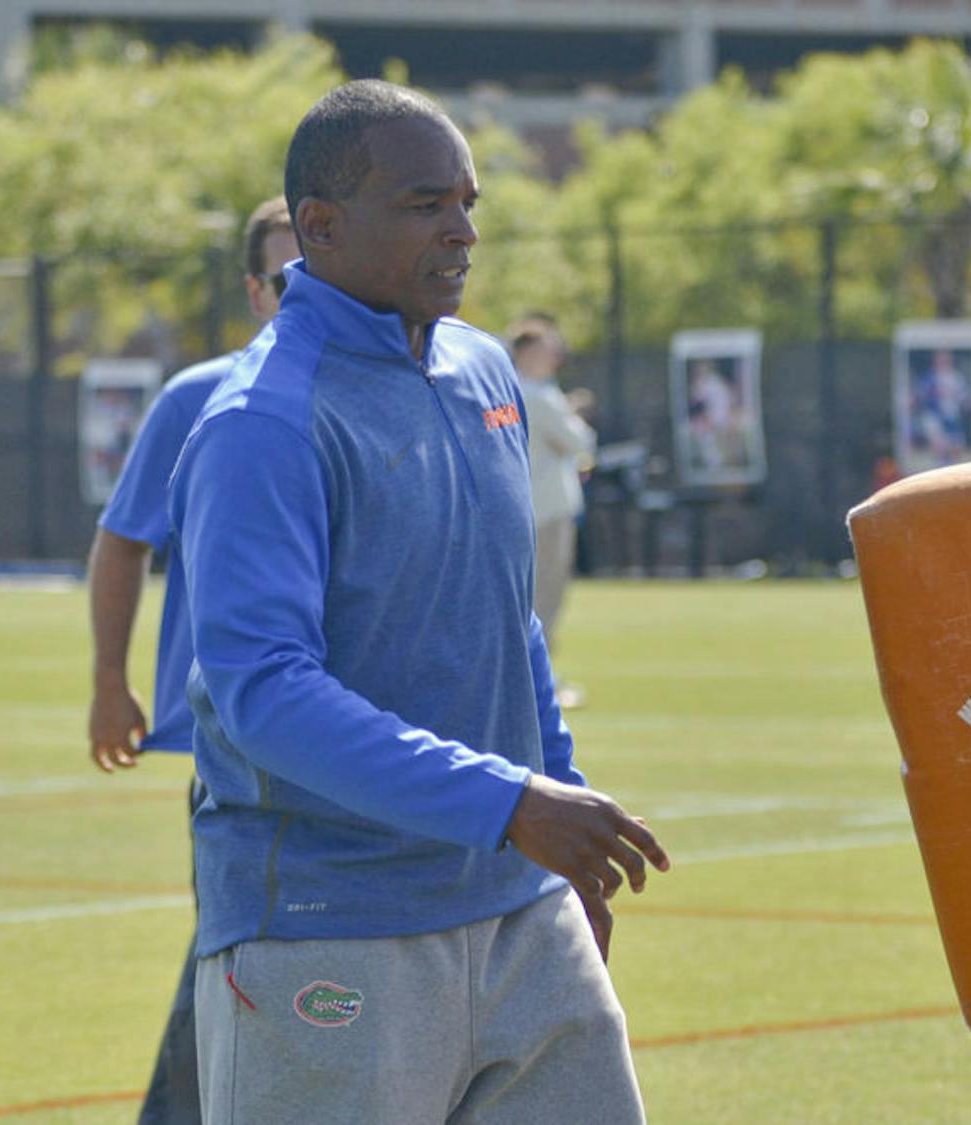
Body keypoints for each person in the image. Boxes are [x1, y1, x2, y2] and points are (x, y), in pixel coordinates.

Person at [169, 79, 668, 1122]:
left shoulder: (485, 369)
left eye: (469, 201)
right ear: (320, 226)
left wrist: (557, 817)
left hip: (520, 911)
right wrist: (512, 805)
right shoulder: (261, 421)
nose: (462, 231)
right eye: (424, 204)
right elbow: (263, 696)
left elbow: (508, 616)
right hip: (327, 923)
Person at [86, 194, 297, 1124]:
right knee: (239, 952)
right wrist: (109, 681)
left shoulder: (405, 383)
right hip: (237, 741)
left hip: (363, 736)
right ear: (255, 291)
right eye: (288, 275)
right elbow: (123, 537)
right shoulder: (201, 395)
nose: (306, 292)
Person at [509, 314, 596, 709]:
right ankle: (540, 683)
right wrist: (571, 409)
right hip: (545, 511)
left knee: (538, 597)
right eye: (546, 348)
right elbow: (579, 439)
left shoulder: (516, 389)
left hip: (530, 508)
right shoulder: (538, 394)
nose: (555, 355)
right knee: (544, 597)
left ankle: (537, 678)